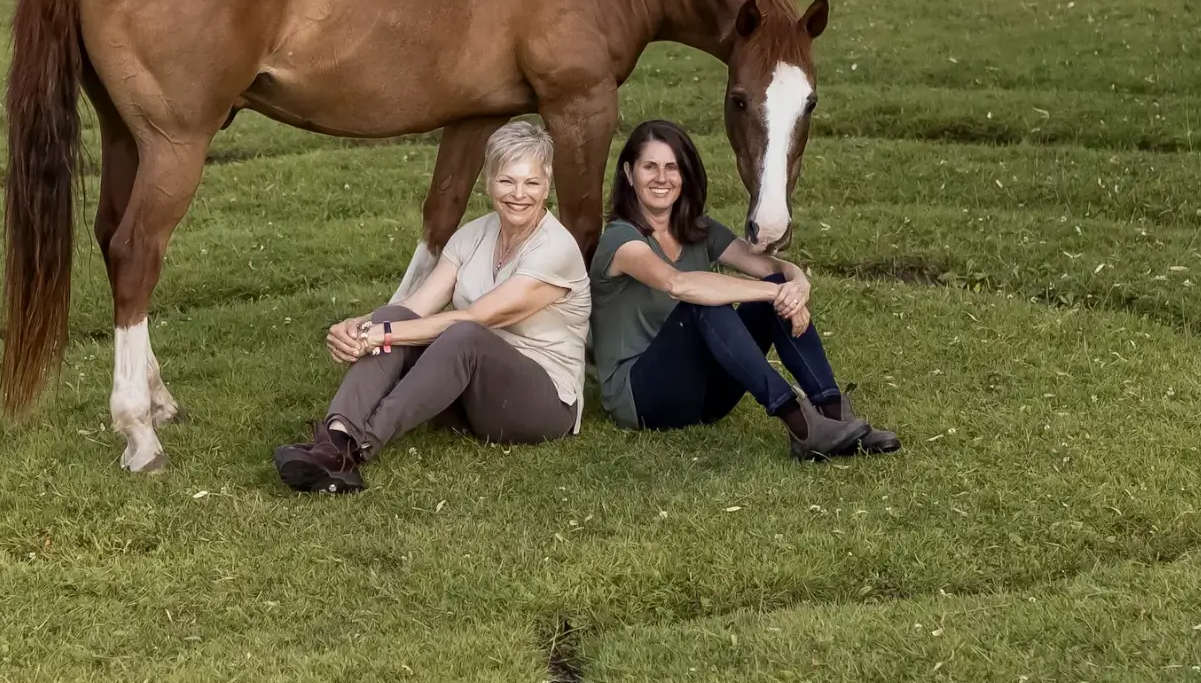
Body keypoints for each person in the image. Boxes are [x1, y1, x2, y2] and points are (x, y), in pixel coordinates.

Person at [274, 117, 591, 493]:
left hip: (542, 405)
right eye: (507, 180)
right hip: (468, 396)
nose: (518, 194)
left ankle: (357, 449)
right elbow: (415, 306)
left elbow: (477, 318)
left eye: (531, 182)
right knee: (396, 316)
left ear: (547, 185)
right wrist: (357, 327)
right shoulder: (472, 236)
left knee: (462, 335)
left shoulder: (556, 249)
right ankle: (336, 440)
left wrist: (379, 334)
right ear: (488, 180)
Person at [588, 118, 898, 459]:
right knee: (703, 303)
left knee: (771, 285)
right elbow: (678, 284)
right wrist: (770, 292)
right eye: (650, 167)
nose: (662, 178)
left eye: (672, 167)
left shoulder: (697, 228)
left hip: (706, 398)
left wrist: (797, 282)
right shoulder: (620, 239)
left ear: (685, 176)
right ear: (630, 175)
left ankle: (833, 413)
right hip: (640, 398)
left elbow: (771, 268)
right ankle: (800, 424)